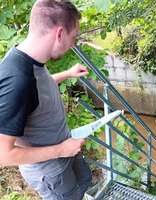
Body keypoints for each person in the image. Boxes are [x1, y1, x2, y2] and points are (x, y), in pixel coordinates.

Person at [0, 0, 92, 199]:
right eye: (73, 37)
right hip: (51, 172)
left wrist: (67, 73)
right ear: (59, 34)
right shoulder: (17, 81)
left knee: (85, 179)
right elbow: (3, 155)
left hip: (65, 149)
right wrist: (61, 150)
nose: (73, 44)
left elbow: (38, 89)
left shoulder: (31, 58)